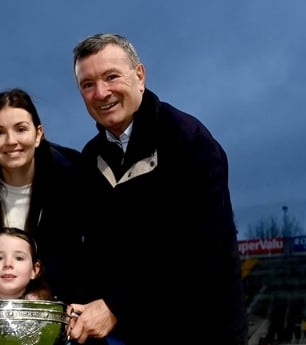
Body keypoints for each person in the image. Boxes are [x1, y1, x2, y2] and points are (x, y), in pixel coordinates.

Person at [65, 33, 248, 345]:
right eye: (87, 84)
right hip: (130, 334)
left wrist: (115, 305)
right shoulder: (90, 159)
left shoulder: (188, 141)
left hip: (200, 330)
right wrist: (82, 301)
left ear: (140, 76)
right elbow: (93, 254)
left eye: (111, 76)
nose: (101, 92)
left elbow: (199, 251)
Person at [0, 88, 82, 303]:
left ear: (38, 134)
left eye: (21, 129)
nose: (11, 140)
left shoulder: (74, 184)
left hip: (66, 312)